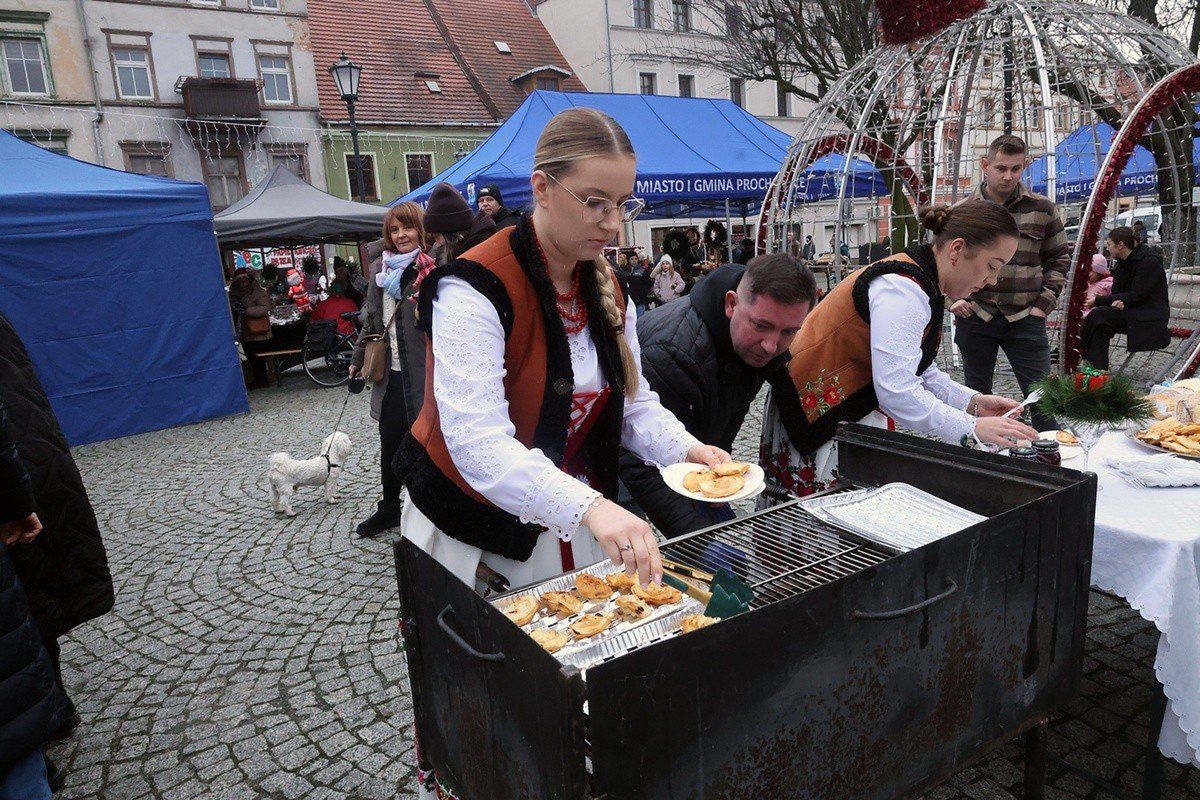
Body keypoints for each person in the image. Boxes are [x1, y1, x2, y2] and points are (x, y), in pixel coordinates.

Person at [395, 106, 730, 631]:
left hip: (568, 515)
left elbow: (633, 403)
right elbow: (477, 442)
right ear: (542, 188)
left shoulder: (609, 288)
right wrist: (591, 507)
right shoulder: (472, 287)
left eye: (622, 204)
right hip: (472, 525)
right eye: (595, 203)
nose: (613, 223)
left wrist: (686, 451)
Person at [761, 201, 1039, 496]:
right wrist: (970, 428)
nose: (992, 280)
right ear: (957, 249)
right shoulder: (904, 290)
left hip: (835, 413)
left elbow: (919, 369)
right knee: (816, 527)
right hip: (816, 418)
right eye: (992, 266)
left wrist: (973, 403)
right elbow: (897, 390)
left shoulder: (920, 280)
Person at [621, 254, 816, 536]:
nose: (772, 346)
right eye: (761, 326)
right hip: (626, 471)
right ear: (731, 304)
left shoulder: (758, 337)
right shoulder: (672, 351)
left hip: (697, 456)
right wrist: (699, 536)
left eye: (789, 331)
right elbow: (635, 459)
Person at [0, 311, 113, 746]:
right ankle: (48, 712)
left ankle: (40, 722)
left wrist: (14, 499)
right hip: (27, 472)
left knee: (25, 603)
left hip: (20, 481)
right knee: (30, 602)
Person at [951, 135, 1068, 432]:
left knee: (1043, 401)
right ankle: (985, 460)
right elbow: (945, 262)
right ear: (985, 165)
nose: (1008, 176)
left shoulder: (1042, 209)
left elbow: (1058, 260)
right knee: (978, 399)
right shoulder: (964, 211)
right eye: (1001, 168)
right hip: (977, 316)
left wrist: (1043, 306)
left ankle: (1050, 460)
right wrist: (953, 300)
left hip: (1025, 317)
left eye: (1016, 169)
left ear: (1025, 166)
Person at [348, 202, 437, 539]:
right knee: (390, 444)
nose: (401, 235)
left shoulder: (431, 268)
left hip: (425, 376)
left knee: (426, 445)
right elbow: (371, 320)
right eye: (395, 230)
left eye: (407, 228)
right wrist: (358, 358)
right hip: (390, 375)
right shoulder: (381, 272)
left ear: (420, 230)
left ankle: (429, 512)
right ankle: (389, 508)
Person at [1081, 226, 1171, 370]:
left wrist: (1099, 300)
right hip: (1131, 310)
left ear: (1120, 245)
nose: (1108, 249)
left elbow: (1138, 295)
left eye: (1109, 244)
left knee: (1098, 313)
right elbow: (1118, 293)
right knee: (1100, 324)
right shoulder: (1122, 264)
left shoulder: (1148, 261)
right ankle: (1097, 371)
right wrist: (1117, 302)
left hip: (1147, 315)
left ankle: (1080, 350)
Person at [228, 267, 273, 388]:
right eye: (240, 280)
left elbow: (265, 306)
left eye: (245, 279)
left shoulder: (256, 291)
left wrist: (246, 311)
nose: (243, 282)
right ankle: (258, 379)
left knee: (258, 357)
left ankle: (262, 380)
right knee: (250, 355)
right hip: (245, 330)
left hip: (259, 330)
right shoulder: (233, 293)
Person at [1083, 253, 1112, 318]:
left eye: (1091, 271)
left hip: (1096, 316)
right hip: (1084, 316)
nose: (1087, 273)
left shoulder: (1106, 285)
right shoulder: (1087, 283)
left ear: (1098, 272)